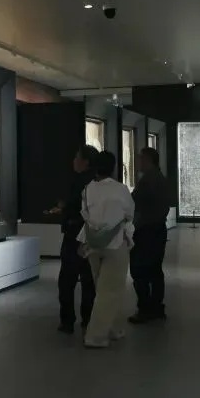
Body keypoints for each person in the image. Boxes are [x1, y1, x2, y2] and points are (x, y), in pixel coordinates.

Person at [78, 150, 135, 349]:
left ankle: (114, 328)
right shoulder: (121, 189)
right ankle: (96, 336)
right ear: (113, 167)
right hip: (116, 243)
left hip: (93, 243)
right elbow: (129, 213)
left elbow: (85, 214)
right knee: (110, 291)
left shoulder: (88, 189)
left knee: (102, 288)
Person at [57, 144, 100, 334]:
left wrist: (64, 207)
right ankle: (88, 318)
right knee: (88, 279)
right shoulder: (97, 182)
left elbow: (74, 205)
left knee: (67, 280)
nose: (74, 161)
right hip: (91, 236)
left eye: (77, 157)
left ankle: (67, 320)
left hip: (75, 234)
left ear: (85, 162)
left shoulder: (80, 182)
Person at [129, 146, 170, 324]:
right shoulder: (159, 178)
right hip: (157, 229)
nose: (138, 161)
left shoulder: (148, 181)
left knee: (140, 270)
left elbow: (134, 202)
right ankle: (157, 307)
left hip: (146, 231)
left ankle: (145, 308)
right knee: (155, 270)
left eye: (140, 158)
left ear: (148, 160)